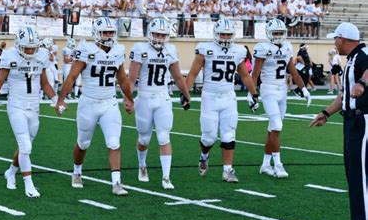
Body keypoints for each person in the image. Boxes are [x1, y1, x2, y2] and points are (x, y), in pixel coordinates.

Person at [55, 16, 134, 196]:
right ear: (96, 33)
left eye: (110, 32)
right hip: (88, 102)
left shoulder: (118, 50)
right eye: (104, 32)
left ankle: (116, 183)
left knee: (114, 142)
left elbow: (122, 79)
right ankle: (76, 171)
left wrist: (130, 99)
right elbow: (72, 77)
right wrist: (61, 99)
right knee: (83, 143)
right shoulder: (85, 50)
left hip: (109, 103)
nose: (108, 35)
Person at [310, 22, 368, 220]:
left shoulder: (362, 55)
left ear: (343, 39)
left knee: (360, 175)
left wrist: (362, 83)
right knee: (354, 175)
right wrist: (325, 113)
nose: (334, 42)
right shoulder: (352, 59)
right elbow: (343, 96)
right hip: (352, 121)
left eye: (336, 38)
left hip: (362, 121)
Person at [185, 19, 260, 183]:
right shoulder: (206, 49)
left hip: (228, 97)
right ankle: (204, 155)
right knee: (209, 138)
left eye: (228, 34)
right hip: (210, 97)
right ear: (216, 34)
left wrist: (254, 94)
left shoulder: (238, 51)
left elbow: (245, 75)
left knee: (228, 134)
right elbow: (192, 73)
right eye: (222, 34)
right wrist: (186, 93)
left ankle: (228, 170)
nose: (225, 37)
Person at [0, 27, 55, 198]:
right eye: (27, 47)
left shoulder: (41, 56)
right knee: (25, 146)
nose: (30, 51)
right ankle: (29, 185)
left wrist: (56, 99)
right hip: (16, 106)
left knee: (26, 147)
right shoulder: (10, 56)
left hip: (34, 107)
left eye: (33, 47)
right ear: (18, 45)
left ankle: (11, 172)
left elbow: (45, 83)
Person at [127, 18, 191, 190]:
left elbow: (178, 77)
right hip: (145, 98)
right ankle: (142, 165)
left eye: (162, 35)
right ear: (150, 34)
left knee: (164, 137)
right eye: (156, 34)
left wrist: (186, 95)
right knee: (144, 138)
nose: (159, 38)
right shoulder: (140, 49)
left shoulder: (170, 50)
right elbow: (132, 78)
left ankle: (166, 177)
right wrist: (128, 98)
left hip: (163, 97)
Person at [252, 19, 311, 178]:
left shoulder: (287, 46)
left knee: (273, 129)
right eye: (275, 33)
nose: (278, 36)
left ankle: (265, 164)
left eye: (280, 33)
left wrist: (304, 88)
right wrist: (252, 94)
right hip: (269, 89)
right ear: (269, 33)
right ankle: (278, 165)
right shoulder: (263, 47)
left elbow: (293, 71)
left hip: (282, 90)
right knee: (277, 126)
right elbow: (255, 74)